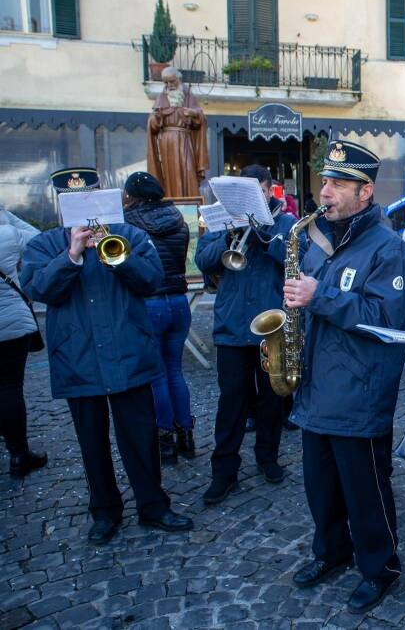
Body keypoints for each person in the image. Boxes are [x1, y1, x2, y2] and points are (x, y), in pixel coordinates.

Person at [21, 168, 193, 543]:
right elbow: (37, 289)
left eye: (90, 197)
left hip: (128, 351)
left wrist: (117, 254)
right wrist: (72, 255)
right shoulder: (44, 244)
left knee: (141, 437)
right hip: (78, 357)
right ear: (60, 204)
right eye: (73, 201)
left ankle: (154, 506)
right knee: (92, 442)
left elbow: (151, 280)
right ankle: (104, 511)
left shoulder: (130, 235)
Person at [284, 139, 405, 615]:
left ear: (365, 192)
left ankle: (380, 567)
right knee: (320, 486)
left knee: (366, 491)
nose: (325, 192)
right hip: (318, 386)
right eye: (324, 182)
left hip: (359, 393)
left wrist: (320, 296)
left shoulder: (390, 250)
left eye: (338, 184)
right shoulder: (320, 240)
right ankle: (332, 551)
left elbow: (387, 321)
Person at [195, 165, 297, 503]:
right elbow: (203, 260)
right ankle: (224, 472)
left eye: (260, 190)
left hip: (272, 328)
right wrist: (228, 236)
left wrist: (262, 238)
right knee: (231, 402)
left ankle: (267, 458)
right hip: (232, 328)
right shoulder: (223, 220)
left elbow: (296, 260)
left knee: (271, 400)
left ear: (268, 191)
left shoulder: (285, 223)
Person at [123, 171, 194, 466]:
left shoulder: (127, 223)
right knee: (175, 370)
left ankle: (164, 439)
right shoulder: (177, 217)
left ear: (132, 196)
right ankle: (186, 435)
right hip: (178, 300)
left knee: (157, 375)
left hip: (149, 302)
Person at [0, 205, 47, 477]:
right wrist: (6, 214)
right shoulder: (8, 233)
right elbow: (38, 239)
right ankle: (19, 454)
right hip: (10, 323)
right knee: (9, 387)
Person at [146, 66, 209, 198]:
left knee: (188, 171)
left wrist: (192, 113)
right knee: (169, 175)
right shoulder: (161, 98)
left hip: (184, 140)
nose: (169, 85)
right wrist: (156, 118)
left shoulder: (188, 97)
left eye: (172, 81)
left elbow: (200, 118)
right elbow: (153, 122)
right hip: (166, 143)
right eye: (166, 83)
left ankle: (190, 203)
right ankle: (171, 200)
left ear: (179, 80)